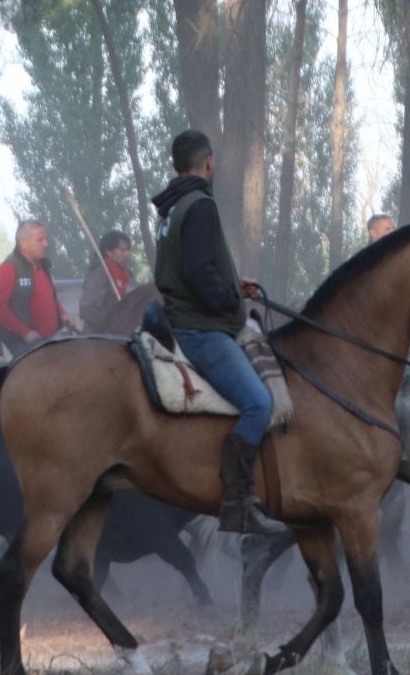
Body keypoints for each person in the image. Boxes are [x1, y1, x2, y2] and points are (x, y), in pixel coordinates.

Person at [152, 129, 285, 535]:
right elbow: (196, 274)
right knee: (259, 404)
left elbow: (196, 267)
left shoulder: (173, 208)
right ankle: (237, 503)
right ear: (208, 162)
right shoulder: (201, 206)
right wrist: (231, 303)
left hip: (187, 319)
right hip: (203, 330)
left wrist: (231, 284)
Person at [0, 220, 75, 357]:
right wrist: (24, 332)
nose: (46, 244)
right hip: (21, 343)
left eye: (46, 239)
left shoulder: (42, 267)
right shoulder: (9, 269)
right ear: (23, 243)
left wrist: (63, 314)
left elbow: (50, 297)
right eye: (40, 240)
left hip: (48, 340)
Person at [79, 230, 136, 331]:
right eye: (122, 250)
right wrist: (113, 321)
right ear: (108, 252)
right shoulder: (99, 275)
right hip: (97, 339)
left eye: (128, 250)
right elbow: (86, 310)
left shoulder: (122, 275)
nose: (127, 254)